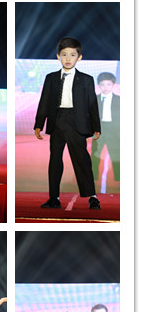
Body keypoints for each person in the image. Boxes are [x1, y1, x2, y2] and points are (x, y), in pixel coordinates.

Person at [34, 37, 101, 210]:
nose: (68, 58)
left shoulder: (86, 79)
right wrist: (39, 123)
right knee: (55, 160)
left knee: (82, 160)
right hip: (57, 120)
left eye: (72, 55)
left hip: (76, 122)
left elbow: (92, 104)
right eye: (64, 54)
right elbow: (44, 102)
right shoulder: (51, 78)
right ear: (58, 56)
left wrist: (96, 126)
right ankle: (54, 198)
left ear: (79, 57)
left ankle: (92, 197)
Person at [92, 72, 120, 191]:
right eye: (102, 84)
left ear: (113, 85)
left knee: (117, 155)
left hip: (114, 130)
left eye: (108, 84)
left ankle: (120, 179)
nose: (106, 87)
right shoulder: (94, 99)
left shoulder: (119, 100)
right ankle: (93, 178)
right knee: (95, 155)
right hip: (99, 130)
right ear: (99, 85)